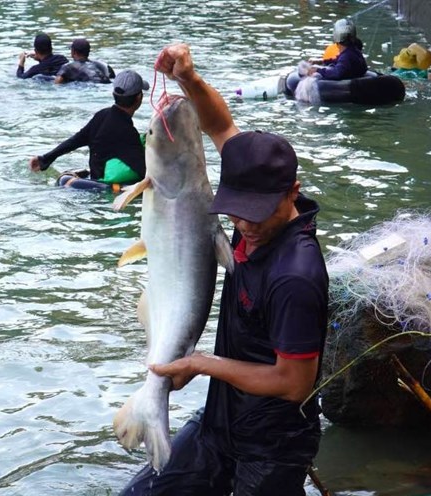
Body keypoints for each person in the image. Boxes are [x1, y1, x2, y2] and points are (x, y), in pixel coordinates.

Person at [119, 44, 328, 496]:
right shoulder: (252, 188)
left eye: (258, 213)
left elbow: (293, 383)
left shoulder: (295, 276)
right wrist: (188, 79)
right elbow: (220, 125)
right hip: (222, 421)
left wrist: (200, 363)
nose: (246, 224)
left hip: (272, 444)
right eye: (235, 211)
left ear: (292, 193)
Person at [29, 70, 149, 185]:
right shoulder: (128, 132)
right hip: (104, 193)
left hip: (92, 180)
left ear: (114, 94)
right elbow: (144, 171)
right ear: (139, 97)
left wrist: (45, 159)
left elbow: (75, 140)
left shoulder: (101, 115)